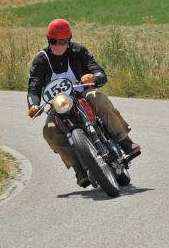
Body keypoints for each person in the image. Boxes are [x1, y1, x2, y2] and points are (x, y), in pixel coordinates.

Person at [27, 19, 140, 186]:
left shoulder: (78, 51)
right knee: (49, 131)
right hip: (58, 104)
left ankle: (124, 140)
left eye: (63, 42)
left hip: (82, 93)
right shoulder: (40, 60)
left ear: (69, 40)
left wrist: (93, 77)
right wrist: (33, 105)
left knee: (98, 98)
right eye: (53, 42)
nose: (58, 46)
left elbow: (98, 70)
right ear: (48, 40)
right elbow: (34, 86)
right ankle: (78, 169)